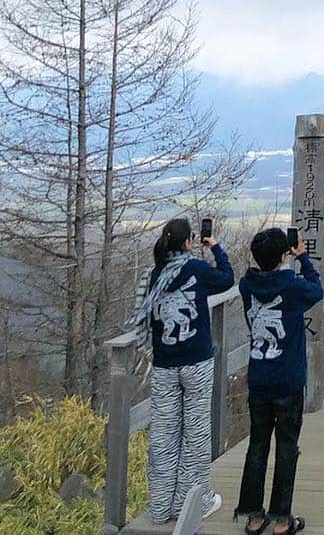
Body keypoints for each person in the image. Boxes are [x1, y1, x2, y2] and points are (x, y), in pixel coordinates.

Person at [131, 216, 234, 523]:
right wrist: (215, 248)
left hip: (164, 365)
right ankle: (193, 504)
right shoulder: (196, 269)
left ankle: (161, 506)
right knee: (196, 433)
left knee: (163, 435)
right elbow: (227, 278)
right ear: (189, 242)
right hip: (197, 363)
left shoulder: (153, 275)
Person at [235, 227, 323, 535]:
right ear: (284, 254)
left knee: (257, 445)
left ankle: (254, 516)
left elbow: (259, 278)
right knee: (287, 446)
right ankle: (283, 519)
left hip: (259, 377)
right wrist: (303, 258)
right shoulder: (291, 285)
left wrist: (285, 258)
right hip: (287, 379)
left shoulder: (247, 285)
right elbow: (316, 289)